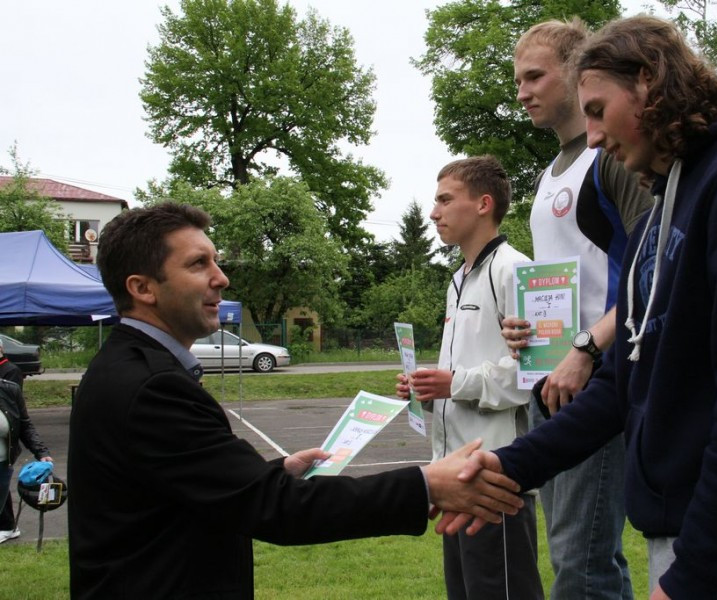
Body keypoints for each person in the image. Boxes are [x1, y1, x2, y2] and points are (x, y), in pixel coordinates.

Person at [450, 15, 717, 600]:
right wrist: (511, 467)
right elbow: (622, 383)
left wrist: (692, 577)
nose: (596, 137)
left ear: (650, 83)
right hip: (681, 533)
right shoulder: (665, 208)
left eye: (600, 111)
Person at [67, 202, 525, 599]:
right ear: (142, 288)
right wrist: (424, 484)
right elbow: (278, 509)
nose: (221, 278)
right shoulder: (152, 386)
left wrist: (271, 472)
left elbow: (188, 485)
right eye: (198, 265)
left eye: (216, 262)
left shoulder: (129, 366)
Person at [504, 18, 653, 599]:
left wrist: (589, 347)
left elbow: (652, 268)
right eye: (517, 80)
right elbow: (560, 280)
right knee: (580, 556)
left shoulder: (610, 160)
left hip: (595, 380)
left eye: (535, 76)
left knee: (581, 558)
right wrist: (525, 327)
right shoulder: (547, 176)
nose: (522, 92)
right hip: (550, 379)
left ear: (574, 71)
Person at [395, 156, 543, 600]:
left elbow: (533, 373)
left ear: (482, 204)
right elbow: (461, 368)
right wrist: (425, 391)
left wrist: (453, 383)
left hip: (497, 474)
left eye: (444, 200)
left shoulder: (515, 269)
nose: (433, 212)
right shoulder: (457, 279)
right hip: (456, 474)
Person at [0, 340, 53, 544]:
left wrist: (41, 451)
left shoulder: (10, 389)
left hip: (3, 461)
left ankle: (7, 526)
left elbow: (24, 424)